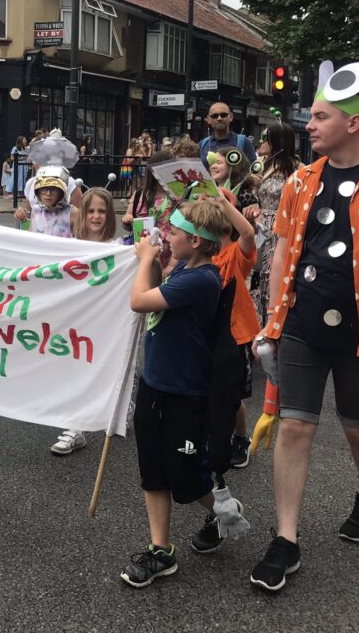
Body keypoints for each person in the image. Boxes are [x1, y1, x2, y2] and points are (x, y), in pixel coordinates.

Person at [248, 68, 359, 593]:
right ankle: (286, 539)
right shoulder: (301, 180)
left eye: (320, 116)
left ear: (354, 122)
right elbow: (281, 254)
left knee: (357, 426)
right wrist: (272, 321)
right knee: (295, 426)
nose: (309, 125)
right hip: (301, 324)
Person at [121, 199, 226, 588]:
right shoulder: (184, 267)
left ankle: (224, 510)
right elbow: (156, 280)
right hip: (155, 383)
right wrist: (150, 256)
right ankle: (160, 550)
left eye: (175, 233)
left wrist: (147, 256)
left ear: (197, 241)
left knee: (184, 477)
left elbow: (139, 300)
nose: (168, 236)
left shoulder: (202, 279)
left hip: (185, 390)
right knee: (153, 468)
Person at [191, 191, 259, 553]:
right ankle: (214, 488)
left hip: (234, 342)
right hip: (204, 346)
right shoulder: (195, 260)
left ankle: (239, 440)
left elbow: (248, 235)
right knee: (210, 406)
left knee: (232, 401)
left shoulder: (233, 255)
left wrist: (224, 205)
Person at [50, 187, 121, 455]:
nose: (95, 216)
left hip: (105, 321)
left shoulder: (118, 249)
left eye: (102, 211)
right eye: (91, 211)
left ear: (109, 215)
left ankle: (121, 405)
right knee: (73, 370)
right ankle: (74, 428)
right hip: (76, 319)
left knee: (105, 371)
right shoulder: (70, 246)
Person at [251, 122, 300, 322]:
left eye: (266, 137)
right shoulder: (262, 165)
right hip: (261, 227)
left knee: (274, 272)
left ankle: (275, 320)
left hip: (281, 228)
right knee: (259, 274)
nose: (261, 142)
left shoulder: (297, 168)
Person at [122, 152, 177, 271]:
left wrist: (172, 265)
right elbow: (128, 218)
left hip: (170, 257)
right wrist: (127, 219)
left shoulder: (177, 196)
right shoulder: (140, 194)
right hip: (142, 256)